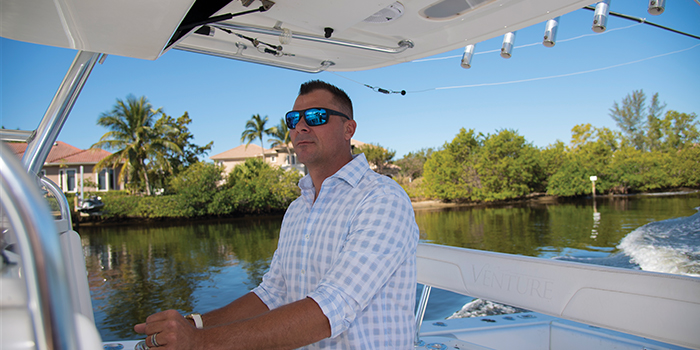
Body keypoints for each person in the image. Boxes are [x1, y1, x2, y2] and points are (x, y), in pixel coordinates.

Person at [134, 80, 419, 349]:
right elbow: (272, 294)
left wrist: (201, 343)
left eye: (316, 117)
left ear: (349, 129)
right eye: (293, 120)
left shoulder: (382, 199)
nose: (301, 127)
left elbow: (333, 306)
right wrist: (195, 325)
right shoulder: (298, 209)